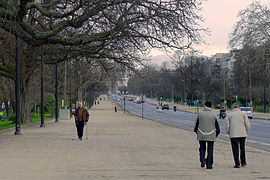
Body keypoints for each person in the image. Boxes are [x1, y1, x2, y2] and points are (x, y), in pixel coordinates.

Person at [194, 101, 220, 169]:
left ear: (205, 106)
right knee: (210, 150)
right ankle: (209, 165)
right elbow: (217, 126)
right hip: (211, 134)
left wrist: (197, 132)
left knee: (202, 148)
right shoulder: (214, 115)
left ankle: (202, 160)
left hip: (201, 133)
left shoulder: (200, 114)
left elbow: (196, 125)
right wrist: (216, 134)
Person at [226, 103, 250, 168]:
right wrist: (246, 131)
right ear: (238, 107)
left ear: (232, 108)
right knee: (242, 148)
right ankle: (243, 162)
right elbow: (247, 124)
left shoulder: (229, 115)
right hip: (242, 134)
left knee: (235, 149)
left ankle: (237, 163)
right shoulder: (243, 114)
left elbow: (227, 126)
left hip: (233, 134)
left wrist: (229, 132)